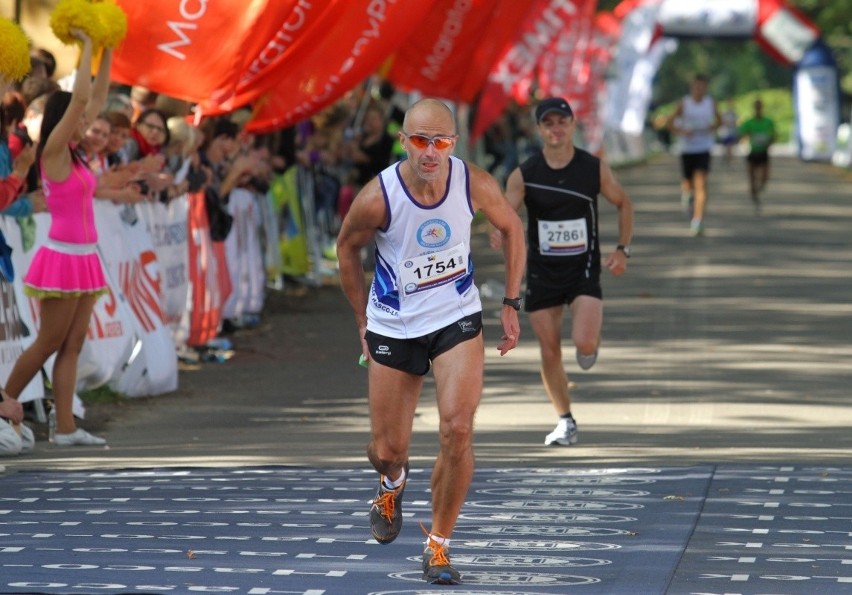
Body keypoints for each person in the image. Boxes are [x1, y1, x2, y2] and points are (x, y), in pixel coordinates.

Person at [336, 98, 525, 585]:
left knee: (458, 429)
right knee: (387, 448)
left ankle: (438, 545)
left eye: (440, 142)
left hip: (455, 319)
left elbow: (512, 227)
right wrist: (362, 319)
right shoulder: (379, 196)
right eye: (420, 140)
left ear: (453, 144)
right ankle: (391, 481)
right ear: (404, 141)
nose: (430, 152)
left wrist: (510, 301)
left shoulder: (473, 182)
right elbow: (346, 248)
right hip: (394, 325)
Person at [492, 97, 634, 447]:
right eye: (548, 123)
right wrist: (496, 230)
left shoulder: (592, 168)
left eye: (562, 122)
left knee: (584, 344)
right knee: (549, 350)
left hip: (583, 269)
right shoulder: (524, 174)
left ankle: (591, 341)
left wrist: (622, 249)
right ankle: (565, 420)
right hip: (542, 273)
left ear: (572, 125)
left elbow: (623, 203)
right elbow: (503, 215)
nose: (556, 129)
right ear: (539, 130)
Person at [1, 30, 114, 447]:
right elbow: (82, 99)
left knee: (72, 343)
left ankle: (65, 427)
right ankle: (3, 407)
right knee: (48, 341)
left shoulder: (78, 154)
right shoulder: (53, 151)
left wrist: (109, 46)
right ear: (63, 119)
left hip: (85, 256)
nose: (86, 124)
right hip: (62, 256)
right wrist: (86, 47)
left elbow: (94, 98)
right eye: (79, 120)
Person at [667, 74, 721, 236]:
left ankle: (697, 221)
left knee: (701, 184)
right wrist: (682, 131)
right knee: (688, 185)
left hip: (703, 148)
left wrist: (713, 127)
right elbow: (669, 123)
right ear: (692, 87)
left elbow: (719, 121)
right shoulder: (684, 104)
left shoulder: (710, 104)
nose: (699, 89)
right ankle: (687, 196)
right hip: (687, 149)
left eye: (702, 86)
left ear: (705, 88)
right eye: (696, 86)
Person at [737, 98, 776, 212]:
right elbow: (742, 133)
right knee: (751, 176)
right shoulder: (749, 122)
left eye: (760, 107)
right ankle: (754, 193)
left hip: (763, 152)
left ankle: (759, 187)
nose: (758, 109)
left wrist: (769, 141)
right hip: (753, 152)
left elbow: (773, 135)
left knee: (764, 176)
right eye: (756, 107)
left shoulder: (768, 121)